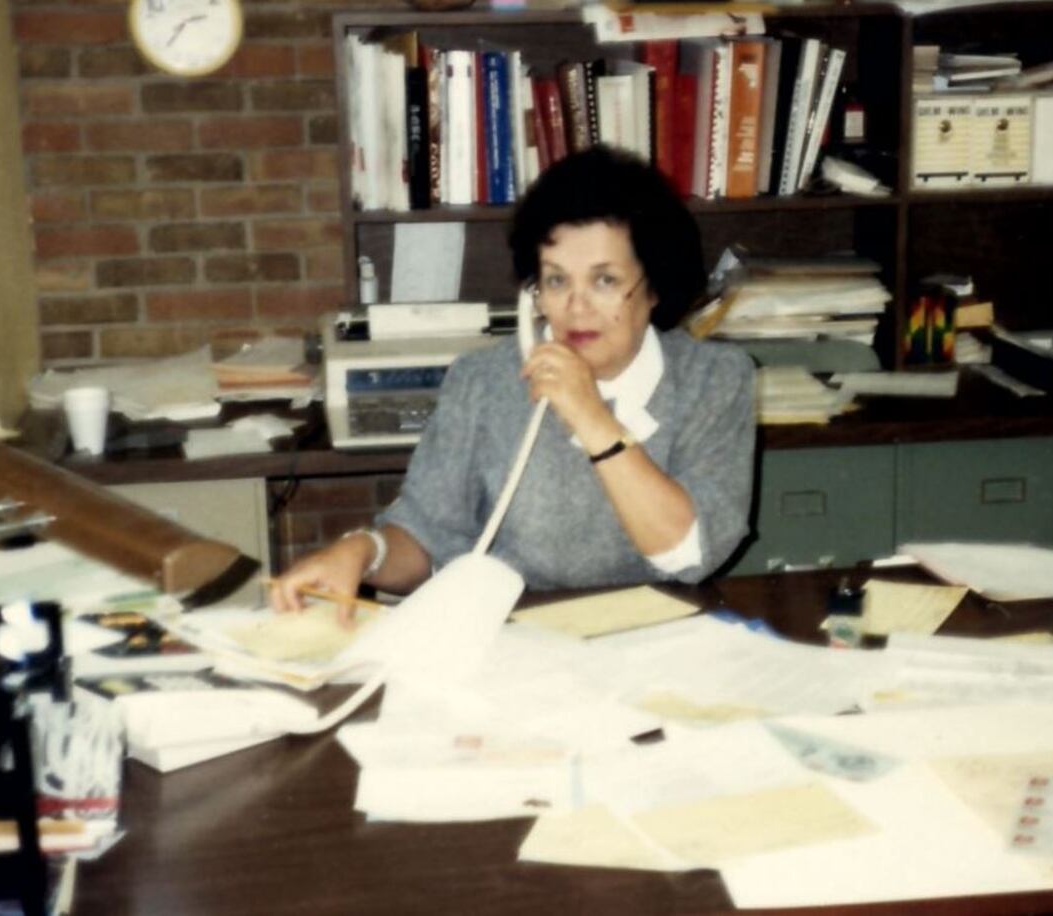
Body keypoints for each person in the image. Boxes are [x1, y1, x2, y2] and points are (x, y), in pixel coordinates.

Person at [271, 146, 756, 614]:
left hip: (660, 642)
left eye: (605, 280)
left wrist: (589, 415)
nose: (576, 306)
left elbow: (691, 554)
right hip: (517, 643)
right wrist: (361, 552)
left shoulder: (713, 380)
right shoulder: (483, 382)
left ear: (654, 287)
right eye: (557, 280)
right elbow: (424, 534)